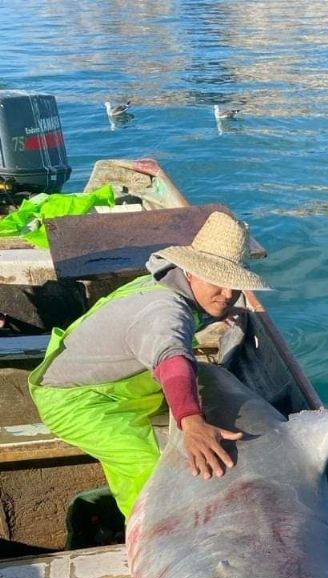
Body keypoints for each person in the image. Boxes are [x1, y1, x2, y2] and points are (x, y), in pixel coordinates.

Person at [28, 211, 269, 520]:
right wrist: (191, 423)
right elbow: (172, 358)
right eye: (218, 282)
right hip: (76, 402)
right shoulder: (165, 311)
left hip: (120, 384)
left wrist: (219, 313)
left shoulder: (165, 281)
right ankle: (149, 528)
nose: (228, 295)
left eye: (234, 286)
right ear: (191, 272)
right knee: (151, 471)